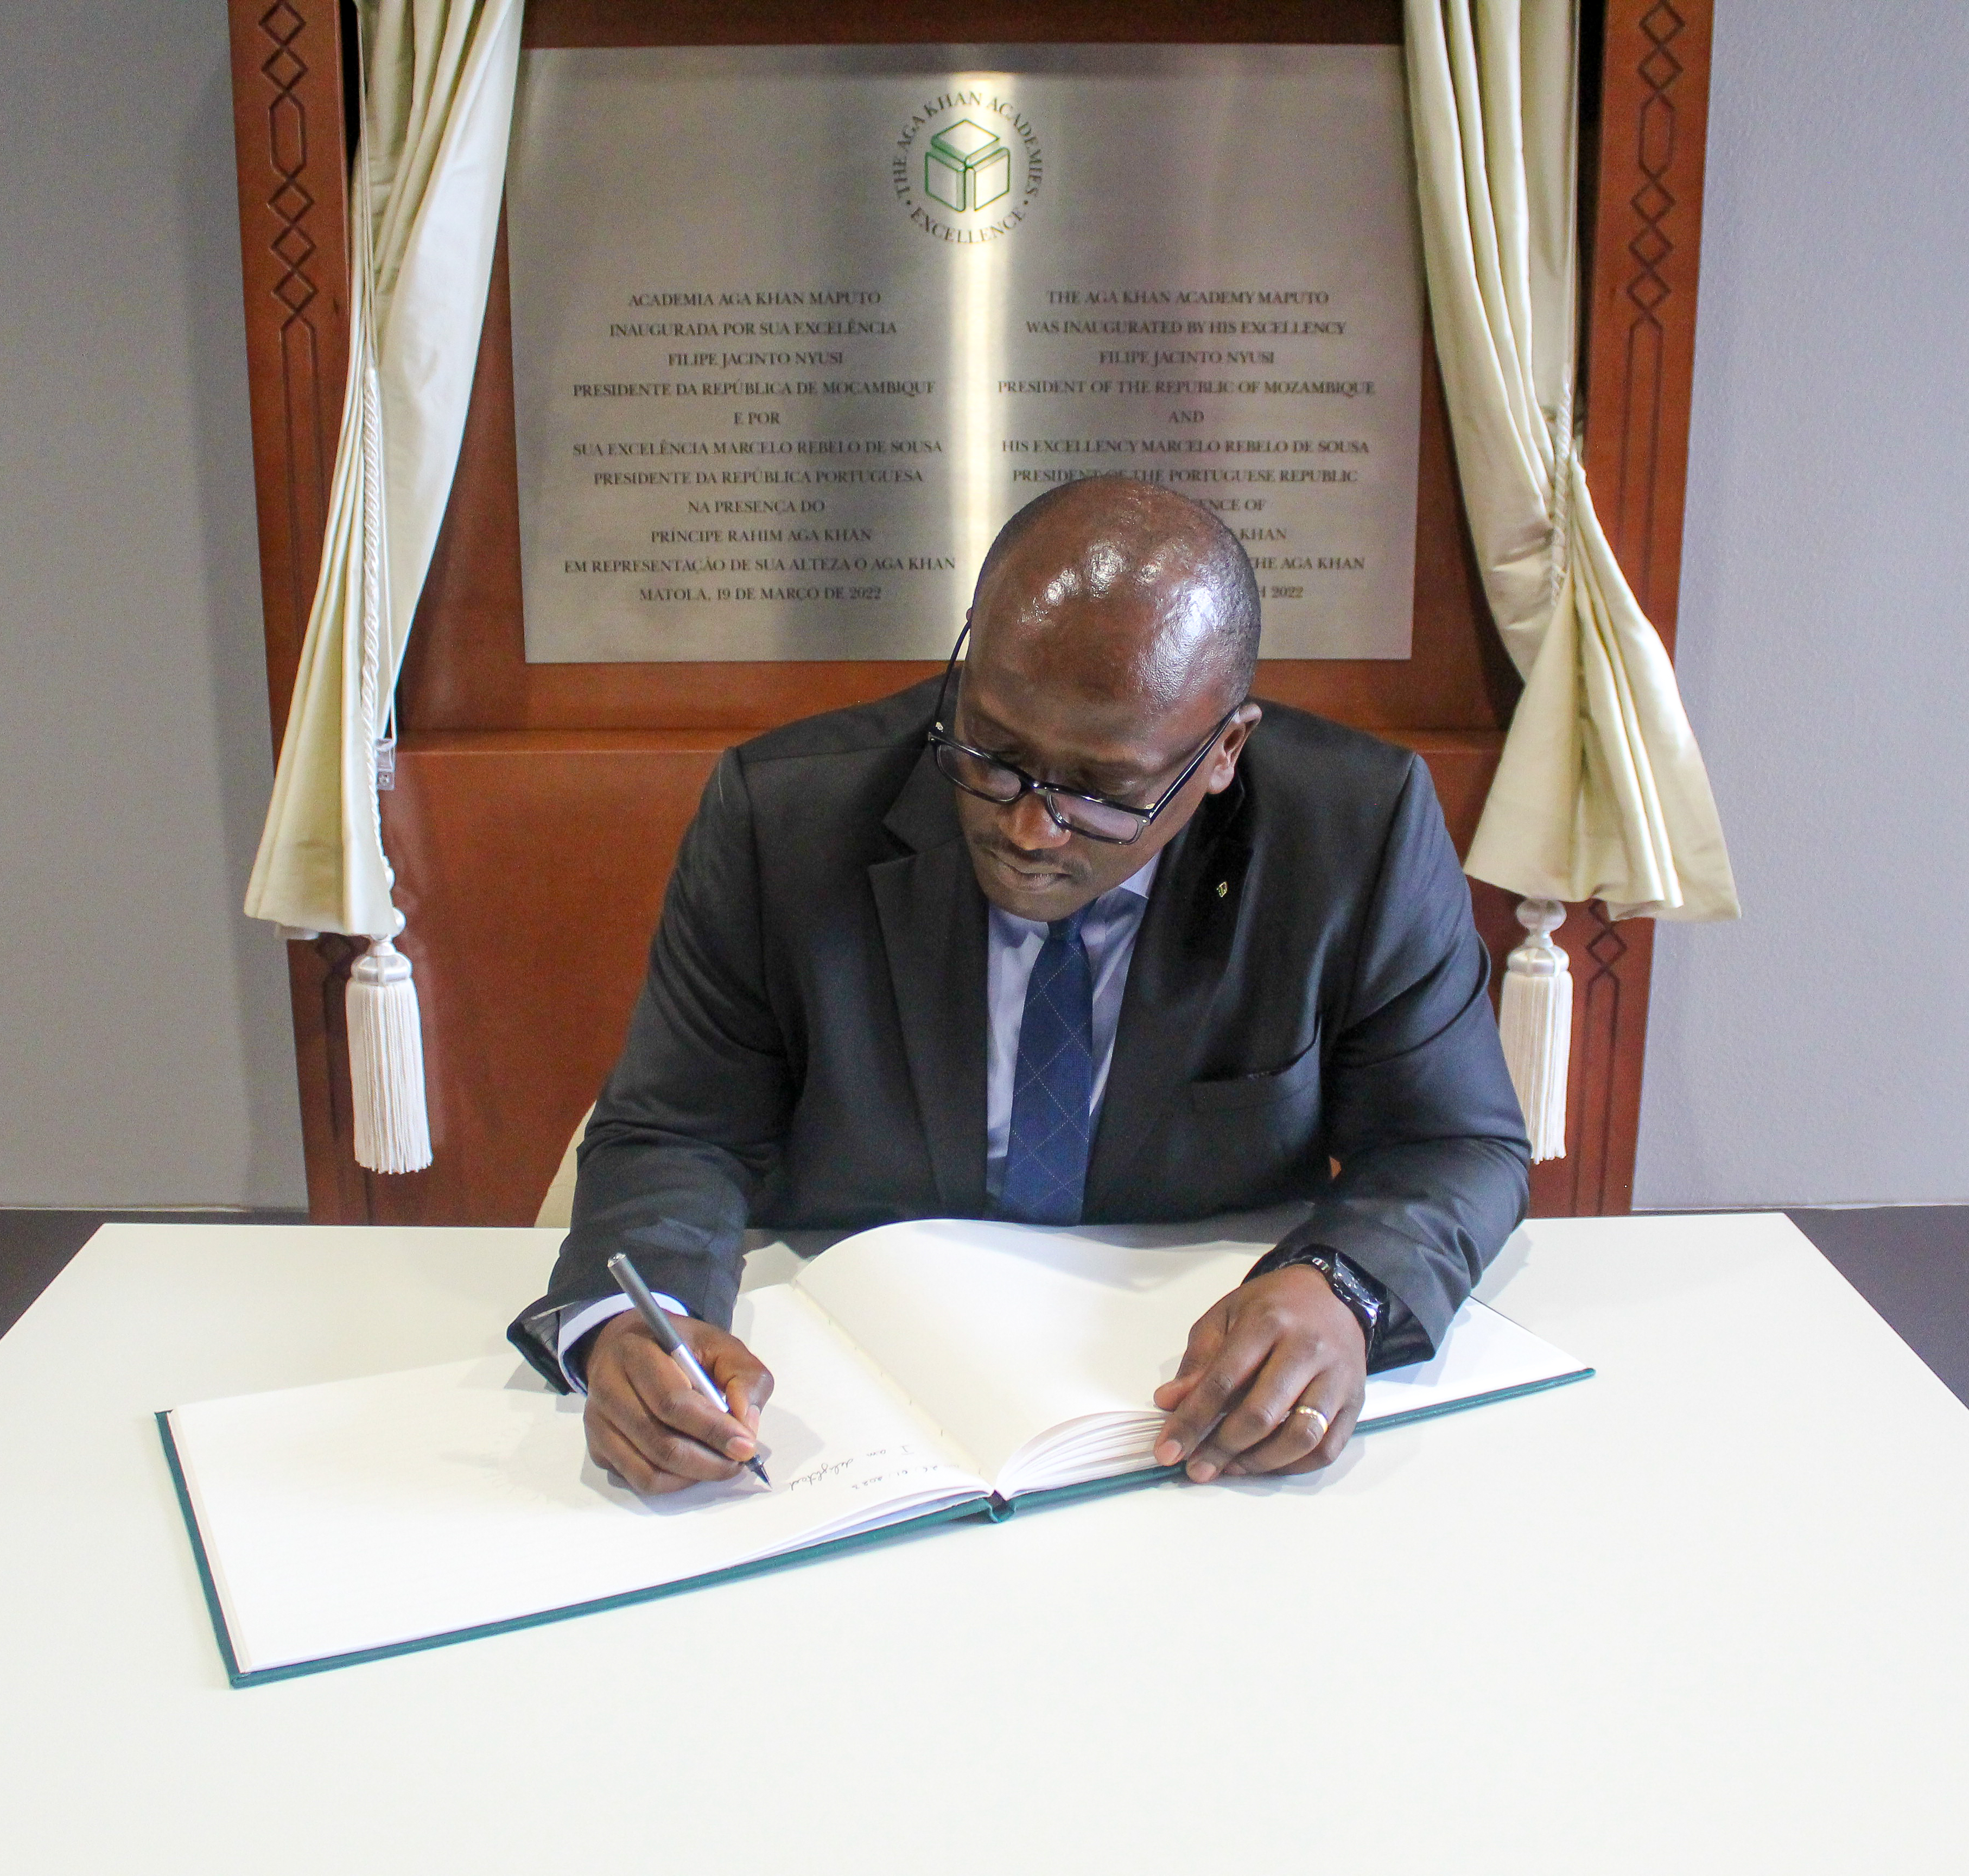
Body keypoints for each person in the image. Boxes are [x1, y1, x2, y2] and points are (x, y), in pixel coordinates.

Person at [508, 475, 1529, 1493]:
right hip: (845, 1392)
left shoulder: (1355, 832)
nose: (1031, 828)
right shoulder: (783, 818)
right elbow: (678, 1129)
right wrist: (637, 1331)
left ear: (1224, 752)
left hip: (1177, 1424)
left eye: (1103, 792)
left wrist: (1343, 1288)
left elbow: (1454, 1142)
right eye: (993, 753)